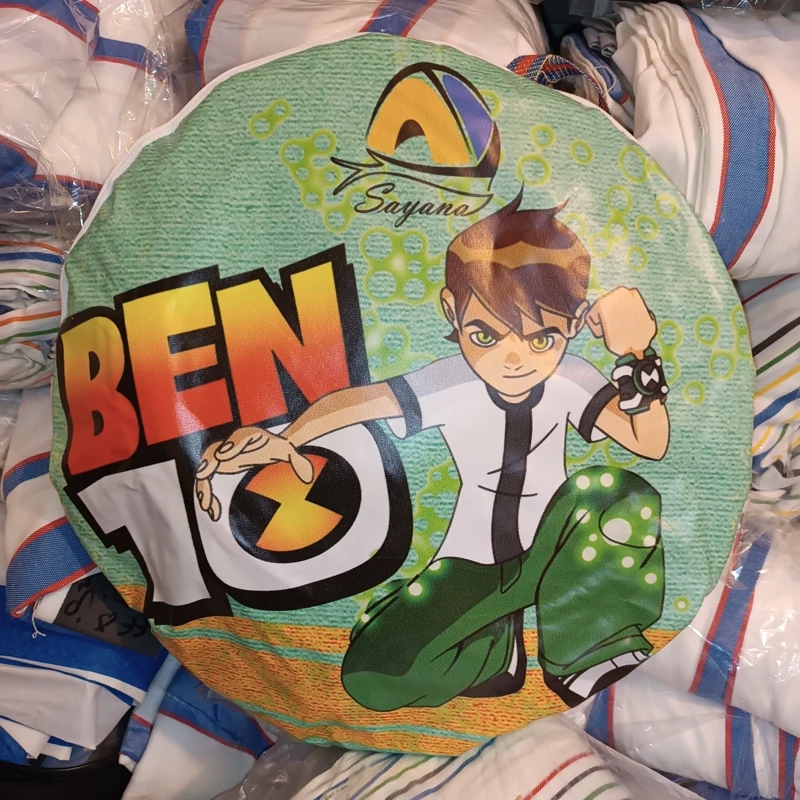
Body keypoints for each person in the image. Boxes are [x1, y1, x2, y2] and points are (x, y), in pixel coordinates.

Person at [195, 192, 671, 710]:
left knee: (613, 492)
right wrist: (287, 439)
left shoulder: (574, 378)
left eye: (541, 340)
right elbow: (361, 401)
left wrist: (638, 353)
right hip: (472, 567)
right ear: (451, 310)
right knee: (374, 671)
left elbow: (648, 443)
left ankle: (587, 650)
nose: (513, 360)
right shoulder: (450, 380)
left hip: (557, 549)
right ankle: (491, 647)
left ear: (574, 324)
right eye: (485, 335)